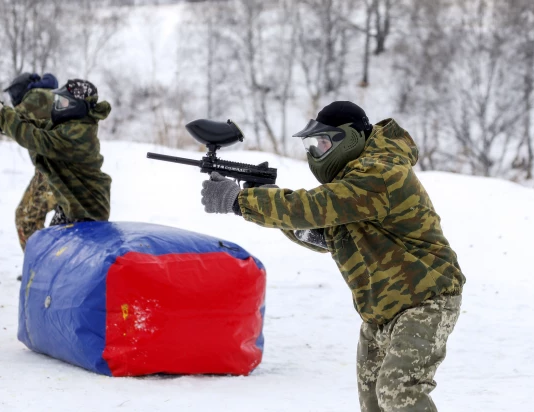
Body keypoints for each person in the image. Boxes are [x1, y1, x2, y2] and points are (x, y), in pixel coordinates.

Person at [199, 101, 466, 412]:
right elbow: (324, 233)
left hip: (426, 300)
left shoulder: (380, 171)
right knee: (374, 404)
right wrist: (264, 196)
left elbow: (310, 208)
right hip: (382, 311)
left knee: (398, 392)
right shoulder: (355, 181)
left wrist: (239, 201)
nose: (317, 150)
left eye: (323, 142)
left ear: (348, 139)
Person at [0, 78, 112, 232]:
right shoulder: (68, 126)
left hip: (89, 215)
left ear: (77, 107)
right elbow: (34, 126)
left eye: (62, 102)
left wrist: (3, 114)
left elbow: (34, 137)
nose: (57, 106)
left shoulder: (77, 134)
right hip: (72, 209)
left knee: (58, 252)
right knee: (48, 248)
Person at [1, 72, 59, 251]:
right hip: (55, 169)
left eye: (14, 93)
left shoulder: (38, 96)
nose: (13, 99)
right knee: (59, 226)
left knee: (26, 218)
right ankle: (45, 268)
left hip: (55, 170)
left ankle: (39, 268)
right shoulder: (44, 98)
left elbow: (10, 118)